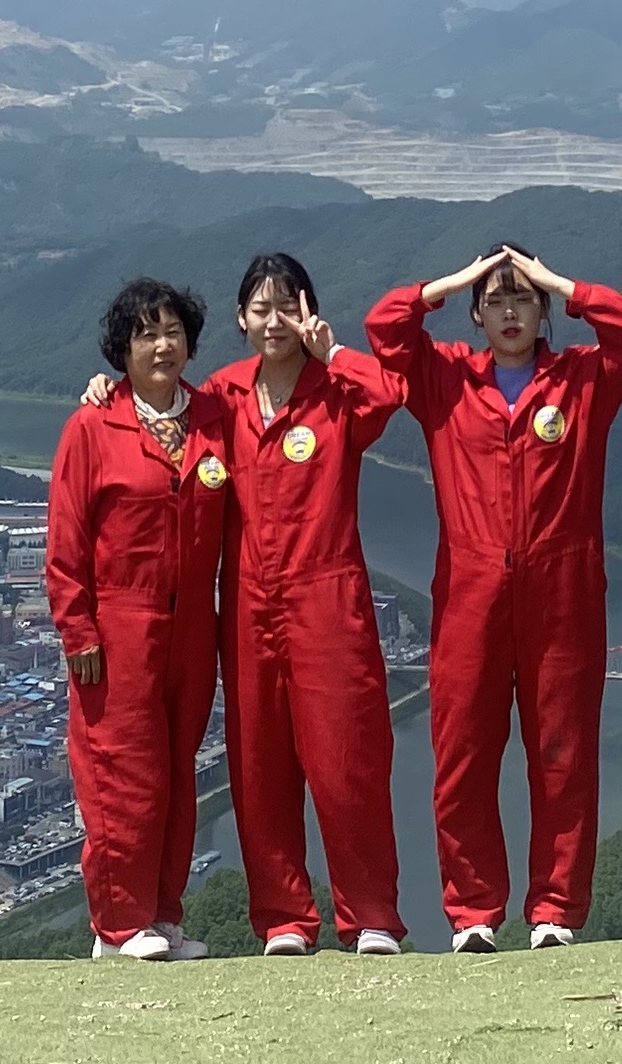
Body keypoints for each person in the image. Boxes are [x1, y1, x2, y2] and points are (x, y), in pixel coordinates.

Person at [365, 243, 622, 951]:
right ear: (476, 314)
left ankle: (553, 909)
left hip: (565, 591)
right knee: (463, 753)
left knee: (562, 753)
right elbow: (385, 327)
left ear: (544, 309)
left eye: (523, 298)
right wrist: (457, 277)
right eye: (496, 300)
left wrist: (556, 275)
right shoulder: (445, 382)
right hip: (470, 590)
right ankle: (473, 912)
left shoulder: (582, 379)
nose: (511, 310)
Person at [200, 251, 411, 954]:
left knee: (347, 762)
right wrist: (108, 392)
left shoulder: (338, 392)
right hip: (249, 604)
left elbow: (390, 396)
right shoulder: (222, 396)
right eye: (260, 308)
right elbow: (161, 426)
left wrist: (336, 350)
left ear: (309, 312)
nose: (274, 321)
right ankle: (285, 919)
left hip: (328, 596)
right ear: (240, 319)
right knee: (259, 768)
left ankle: (370, 916)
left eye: (287, 306)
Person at [45, 275, 236, 960]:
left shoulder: (216, 418)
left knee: (180, 773)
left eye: (173, 331)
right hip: (119, 625)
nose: (162, 345)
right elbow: (65, 543)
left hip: (193, 629)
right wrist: (78, 629)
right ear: (120, 350)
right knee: (122, 774)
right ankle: (119, 925)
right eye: (145, 333)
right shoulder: (92, 427)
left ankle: (163, 915)